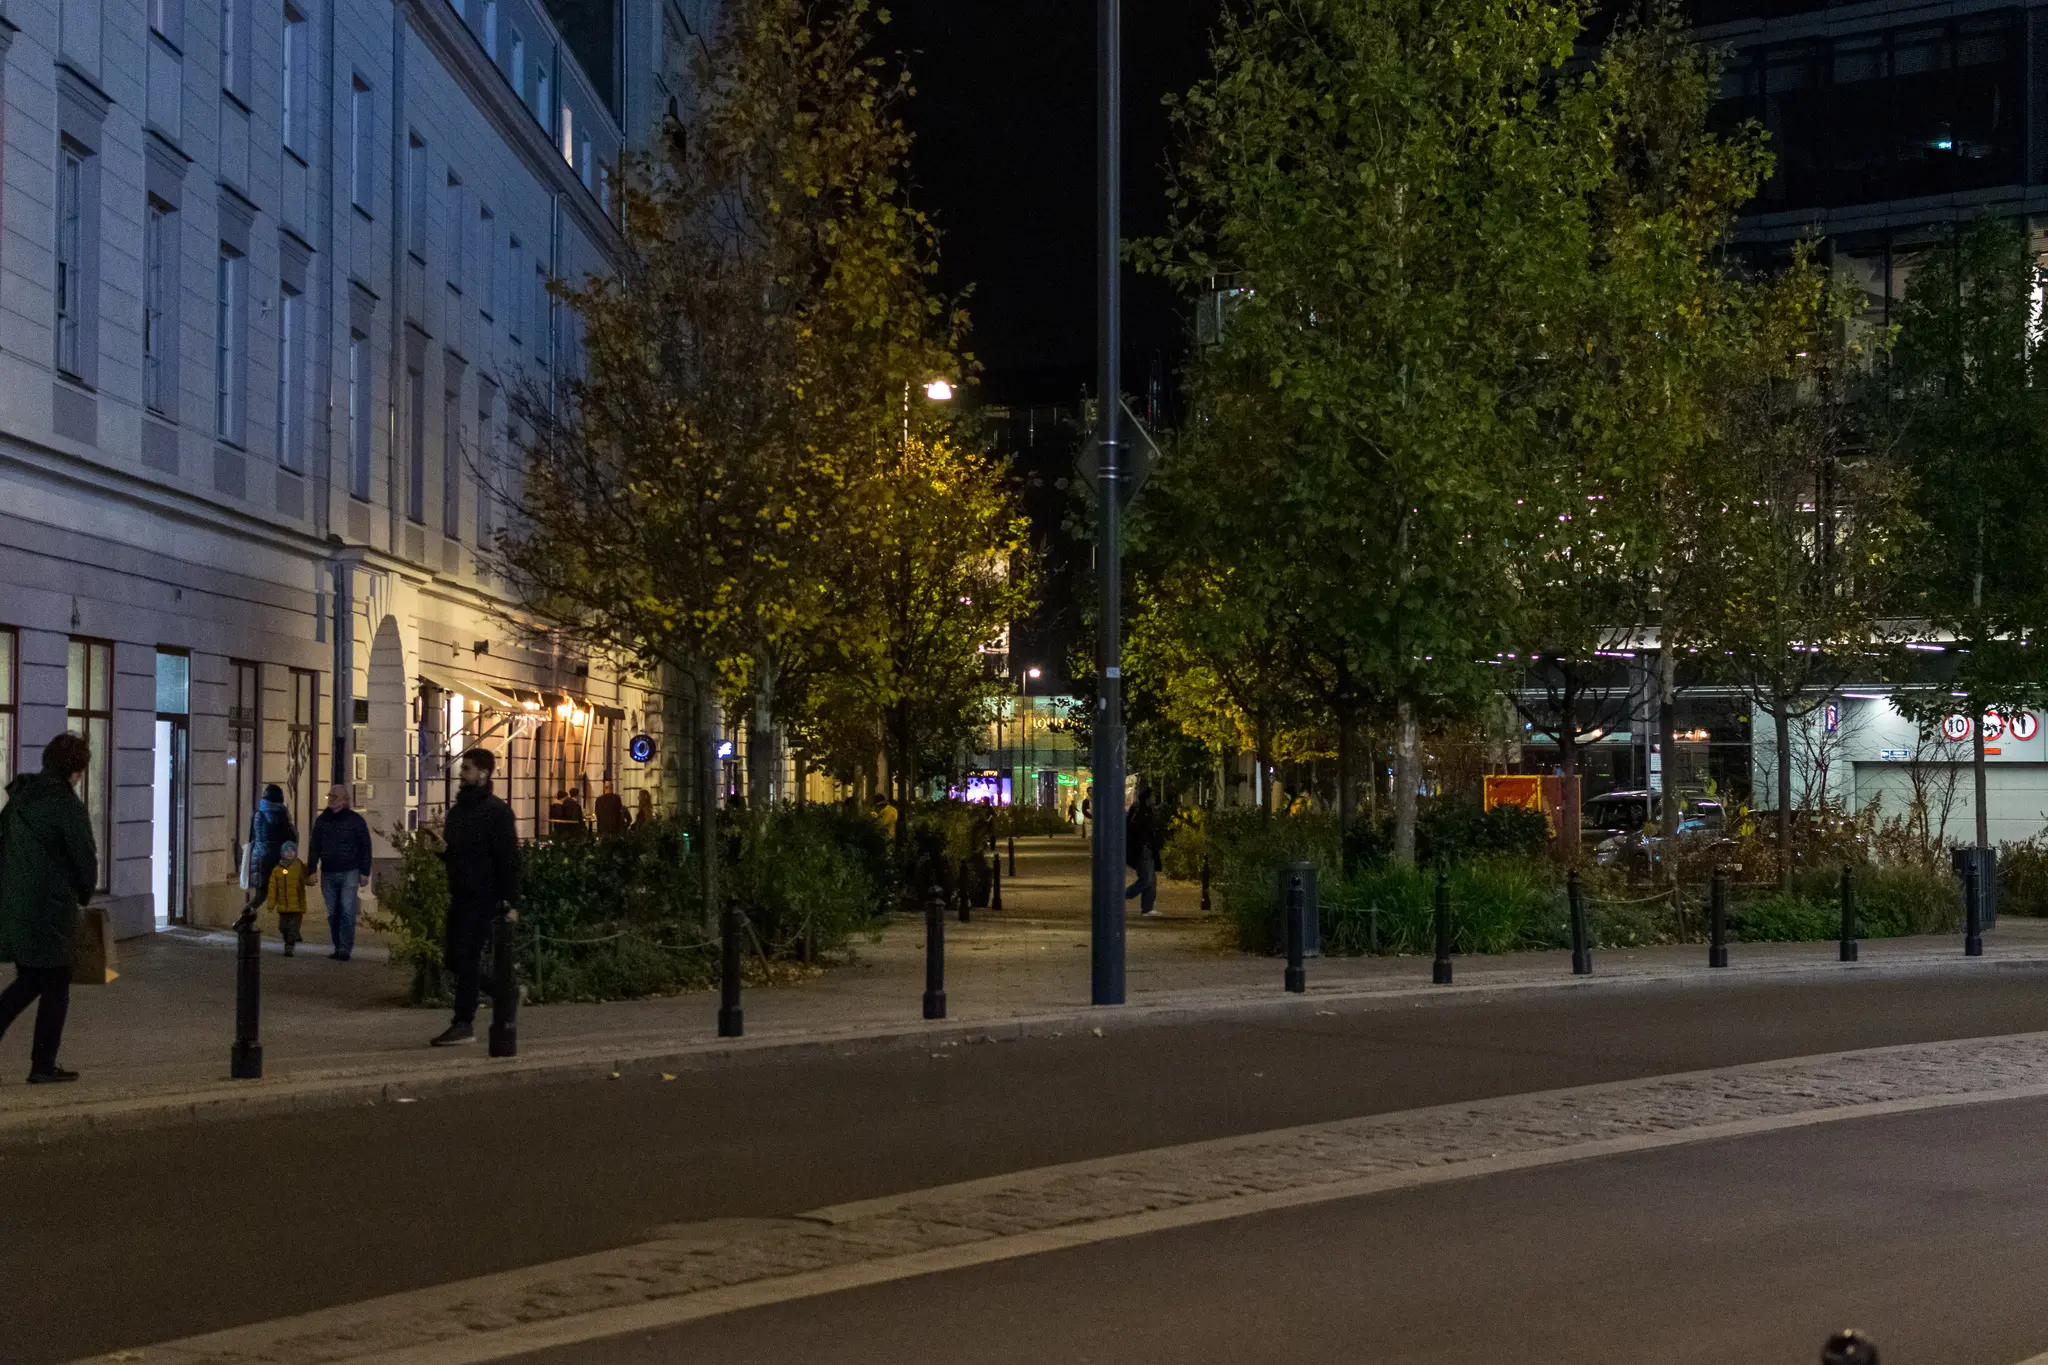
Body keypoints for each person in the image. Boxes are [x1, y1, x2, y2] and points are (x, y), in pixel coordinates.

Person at [0, 732, 98, 1083]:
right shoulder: (65, 806)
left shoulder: (21, 799)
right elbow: (85, 860)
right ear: (75, 772)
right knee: (54, 983)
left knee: (31, 980)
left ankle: (43, 1064)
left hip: (17, 907)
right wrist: (84, 895)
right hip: (51, 910)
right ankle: (42, 1065)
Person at [432, 747, 520, 1047]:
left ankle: (463, 1023)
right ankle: (506, 991)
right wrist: (443, 852)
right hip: (459, 894)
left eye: (466, 769)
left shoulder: (497, 812)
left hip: (484, 896)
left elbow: (509, 860)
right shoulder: (457, 813)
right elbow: (458, 854)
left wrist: (509, 901)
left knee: (468, 957)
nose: (462, 775)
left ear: (482, 773)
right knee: (454, 959)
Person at [307, 784, 373, 961]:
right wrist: (311, 869)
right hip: (328, 871)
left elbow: (365, 846)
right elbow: (314, 846)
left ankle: (344, 948)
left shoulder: (355, 821)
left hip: (349, 871)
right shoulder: (322, 821)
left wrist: (365, 871)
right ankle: (338, 946)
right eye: (330, 796)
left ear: (345, 800)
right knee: (332, 912)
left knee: (346, 910)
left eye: (335, 797)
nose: (331, 799)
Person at [246, 784, 296, 908]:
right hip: (274, 861)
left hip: (257, 858)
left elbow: (252, 837)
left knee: (261, 894)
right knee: (279, 893)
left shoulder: (258, 814)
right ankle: (244, 919)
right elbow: (290, 837)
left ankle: (246, 920)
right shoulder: (281, 815)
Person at [1124, 788, 1164, 916]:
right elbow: (1137, 830)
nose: (1154, 799)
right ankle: (1122, 896)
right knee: (1146, 878)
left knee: (1151, 879)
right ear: (1147, 798)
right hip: (1142, 848)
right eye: (1152, 797)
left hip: (1148, 848)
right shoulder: (1139, 812)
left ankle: (1148, 908)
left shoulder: (1148, 811)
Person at [267, 840, 309, 956]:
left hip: (297, 906)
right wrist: (271, 903)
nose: (289, 853)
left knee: (293, 928)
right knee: (283, 927)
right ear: (282, 853)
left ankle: (289, 945)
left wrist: (310, 878)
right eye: (287, 851)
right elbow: (272, 887)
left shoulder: (299, 866)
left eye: (292, 851)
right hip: (283, 906)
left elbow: (306, 878)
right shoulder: (277, 870)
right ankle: (288, 941)